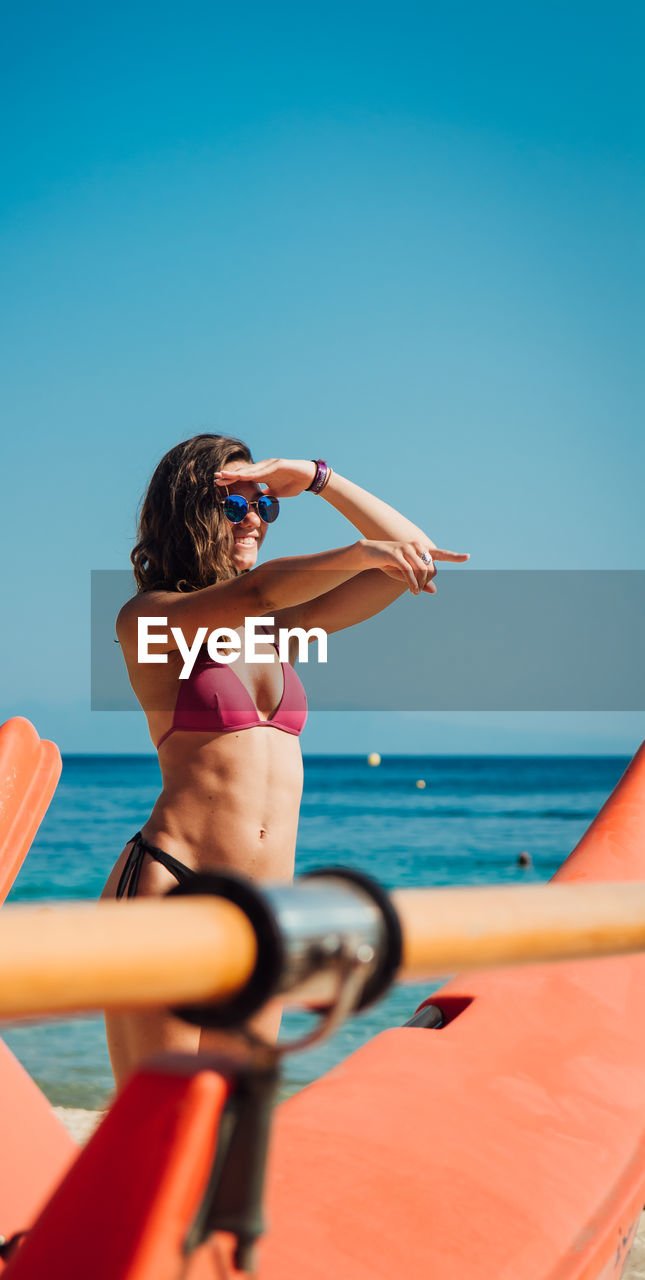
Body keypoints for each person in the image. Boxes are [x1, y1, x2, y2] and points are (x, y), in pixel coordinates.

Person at [101, 434, 469, 1086]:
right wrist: (356, 552)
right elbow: (257, 594)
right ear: (188, 512)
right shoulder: (152, 619)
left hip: (265, 914)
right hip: (173, 888)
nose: (252, 521)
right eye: (235, 505)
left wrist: (321, 479)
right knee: (158, 1126)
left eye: (265, 508)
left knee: (235, 1121)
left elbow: (415, 555)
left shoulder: (279, 632)